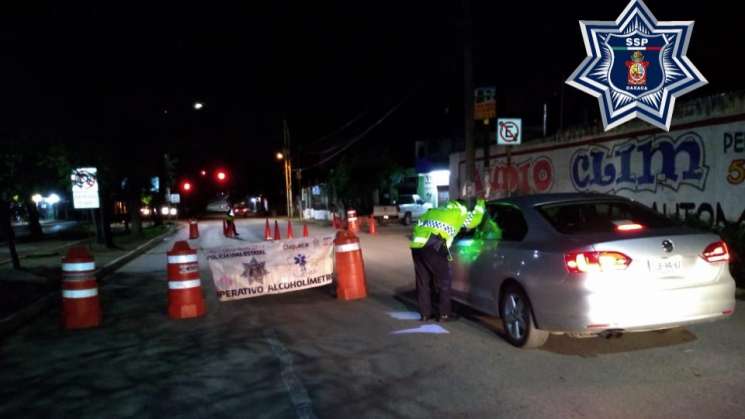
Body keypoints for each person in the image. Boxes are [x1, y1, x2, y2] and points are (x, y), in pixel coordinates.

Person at [410, 198, 485, 322]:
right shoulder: (459, 212)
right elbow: (475, 220)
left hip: (417, 247)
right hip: (434, 245)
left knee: (423, 282)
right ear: (462, 206)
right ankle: (444, 314)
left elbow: (418, 225)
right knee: (445, 281)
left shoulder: (435, 210)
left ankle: (425, 314)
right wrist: (481, 203)